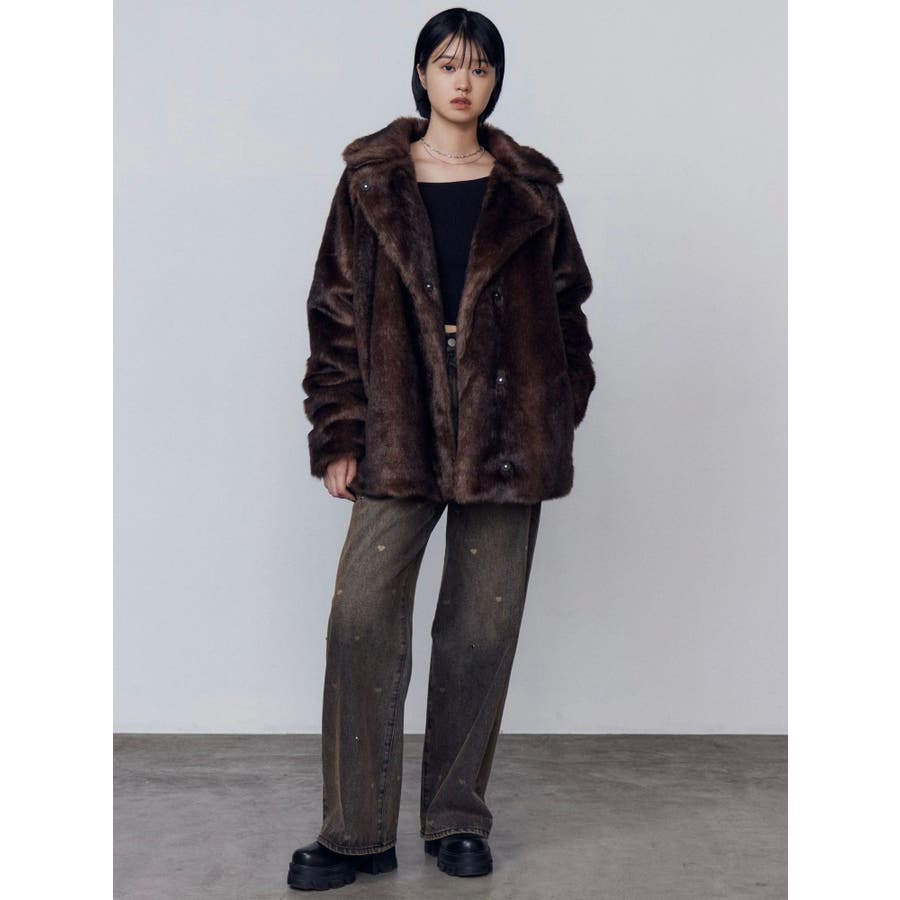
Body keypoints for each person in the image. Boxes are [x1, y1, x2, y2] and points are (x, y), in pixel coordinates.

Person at [287, 7, 596, 892]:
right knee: (361, 617)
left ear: (496, 81)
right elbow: (334, 311)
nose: (464, 81)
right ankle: (356, 832)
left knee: (481, 628)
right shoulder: (370, 182)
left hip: (507, 433)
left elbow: (568, 308)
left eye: (481, 67)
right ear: (421, 72)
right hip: (401, 422)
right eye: (448, 63)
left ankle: (457, 817)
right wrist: (340, 432)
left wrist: (554, 407)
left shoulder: (530, 189)